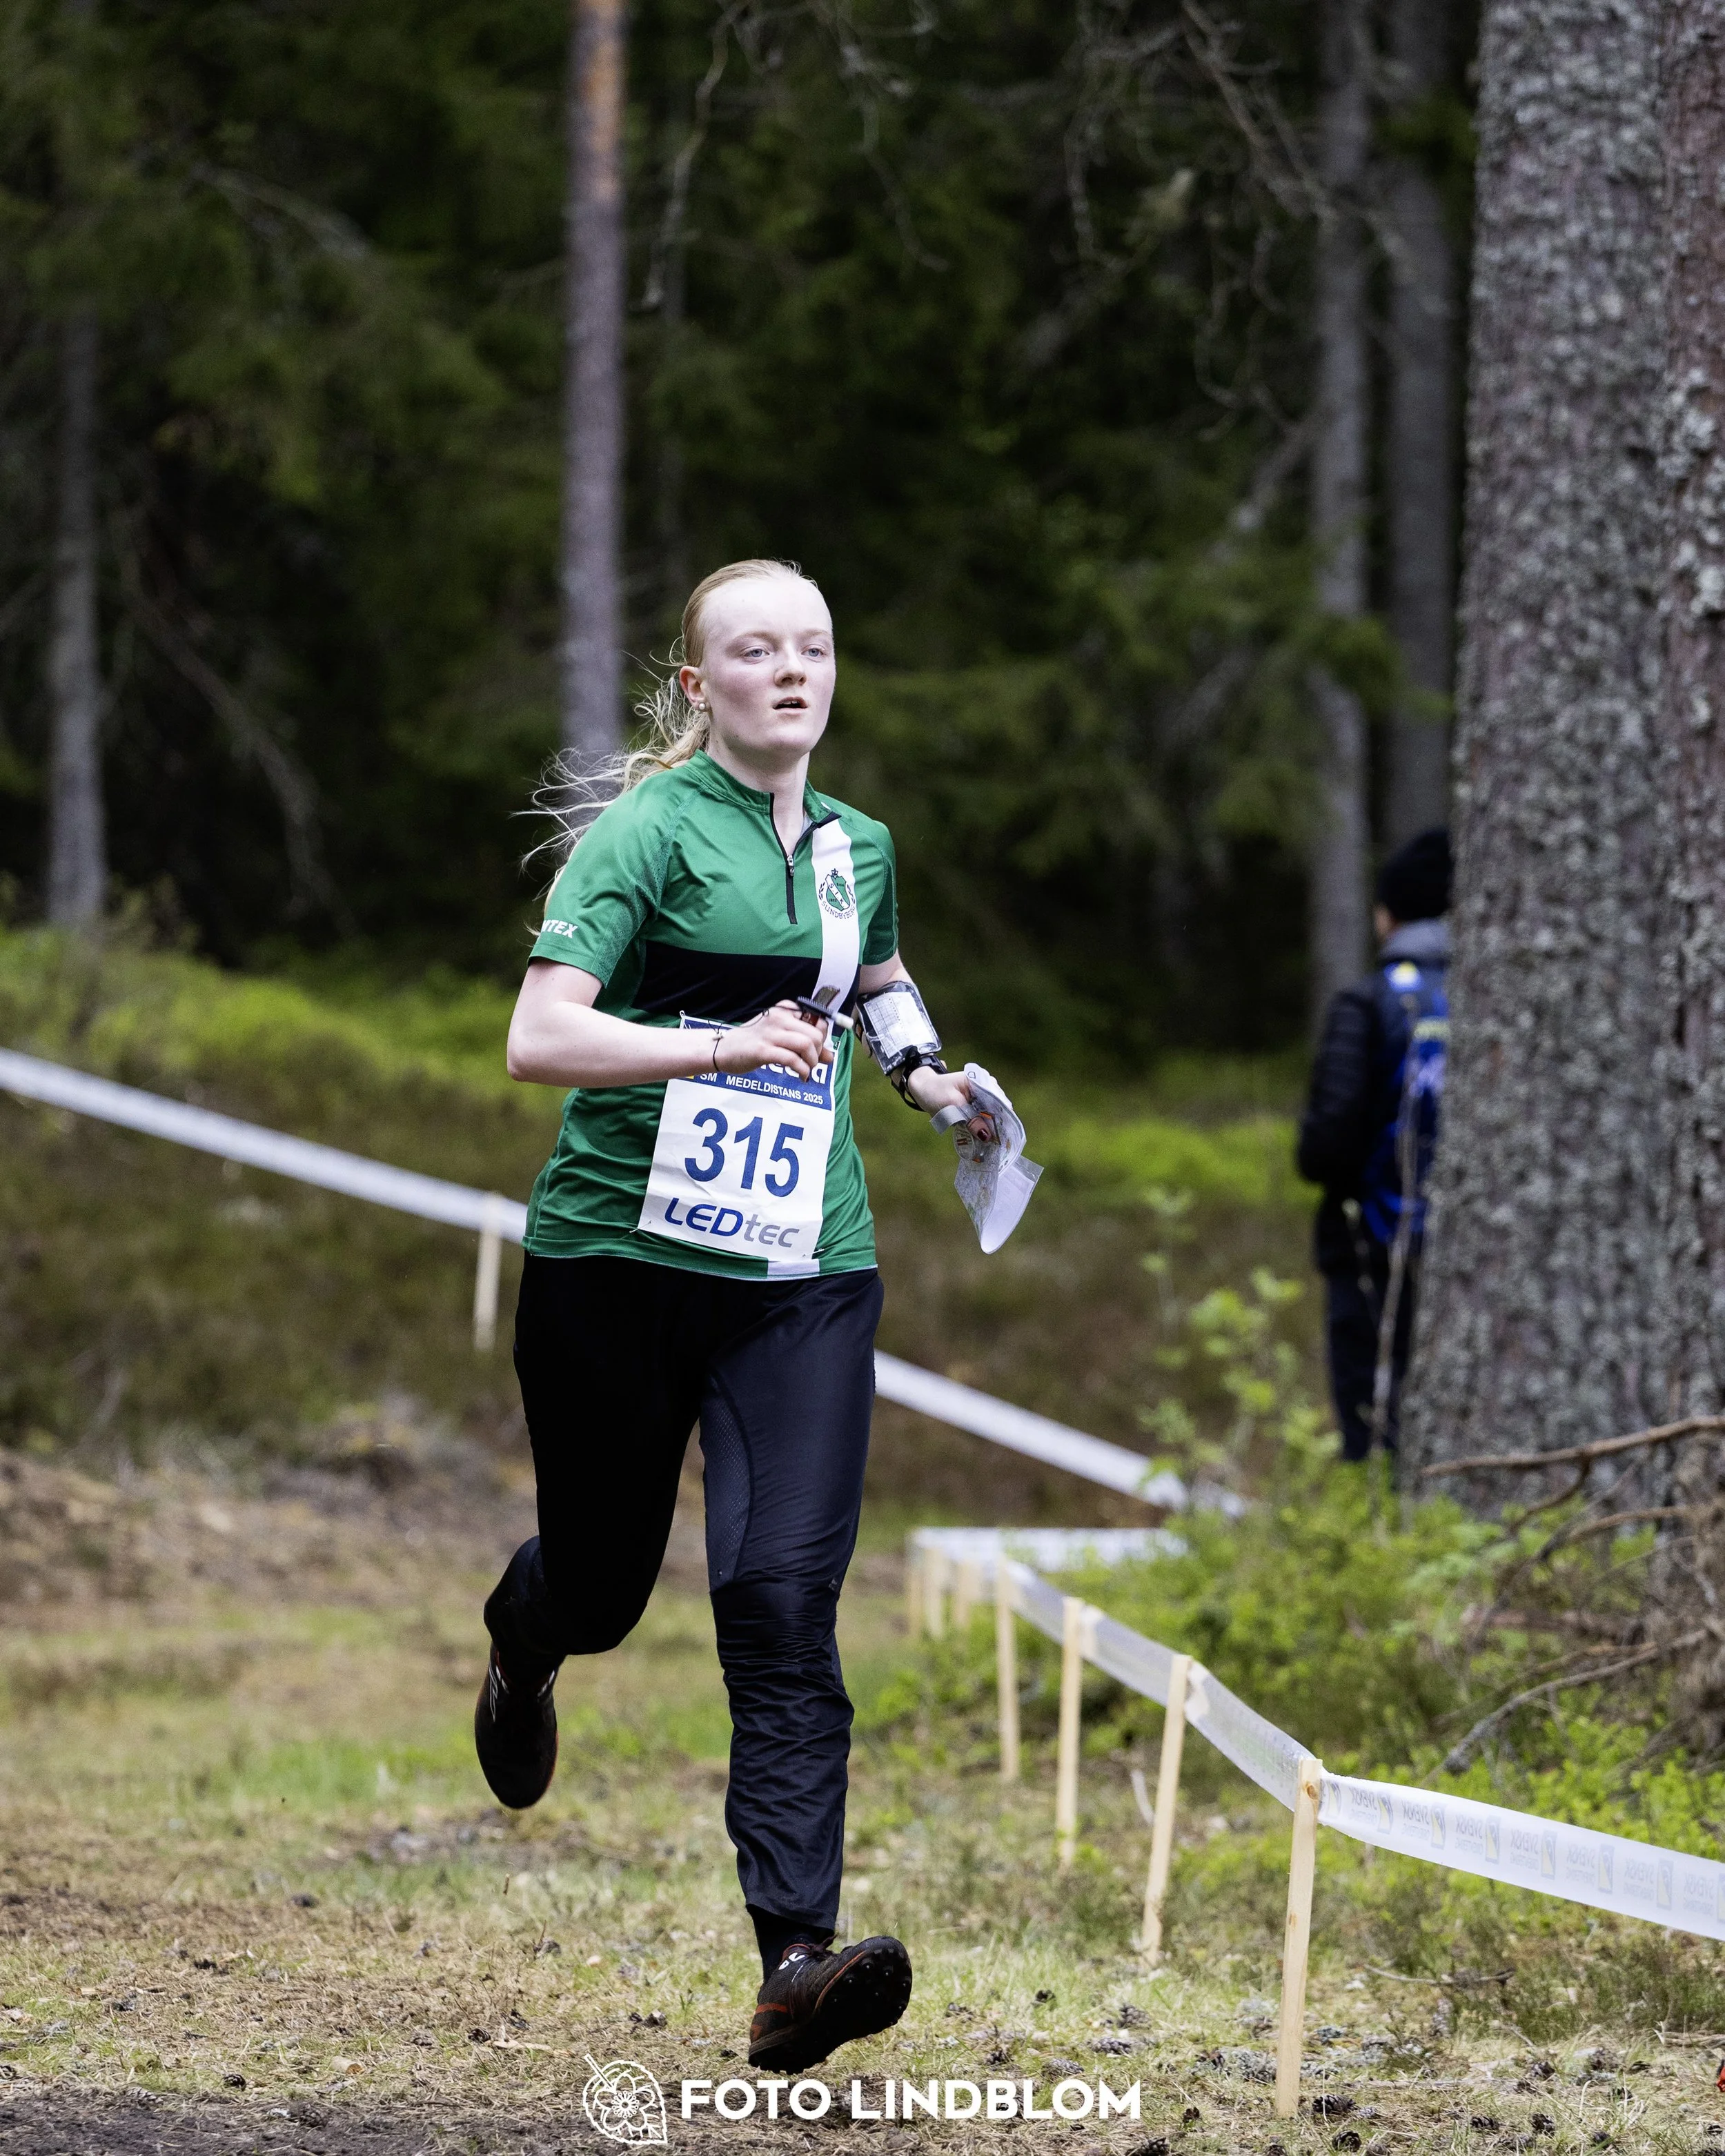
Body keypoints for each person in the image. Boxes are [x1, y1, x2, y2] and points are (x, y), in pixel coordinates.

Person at [475, 558, 982, 2074]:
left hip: (799, 1274)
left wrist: (926, 1073)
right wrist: (706, 1045)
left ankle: (793, 1962)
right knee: (611, 1587)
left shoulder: (854, 843)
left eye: (813, 646)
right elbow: (536, 1032)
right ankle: (525, 1630)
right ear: (698, 686)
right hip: (614, 1271)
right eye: (753, 650)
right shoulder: (643, 833)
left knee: (776, 1601)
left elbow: (873, 978)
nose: (789, 670)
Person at [1296, 828, 1452, 1463]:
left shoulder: (1369, 1003)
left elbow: (1325, 1147)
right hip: (1472, 1257)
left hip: (1372, 1249)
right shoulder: (1506, 1000)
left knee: (1375, 1423)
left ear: (1389, 914)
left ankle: (1377, 1533)